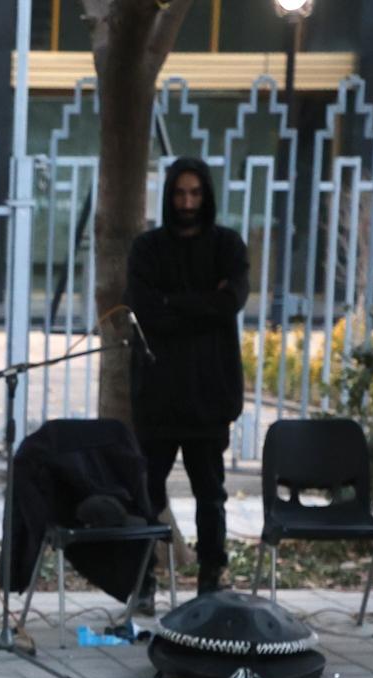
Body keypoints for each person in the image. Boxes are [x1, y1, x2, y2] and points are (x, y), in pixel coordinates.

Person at [126, 155, 250, 602]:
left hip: (210, 394)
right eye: (180, 193)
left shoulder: (228, 247)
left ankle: (212, 579)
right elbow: (144, 309)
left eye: (195, 193)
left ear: (207, 196)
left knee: (210, 494)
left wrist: (172, 303)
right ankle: (143, 581)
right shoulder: (147, 249)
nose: (187, 203)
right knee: (145, 492)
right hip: (157, 395)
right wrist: (202, 304)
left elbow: (230, 302)